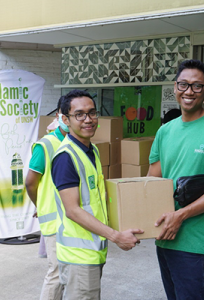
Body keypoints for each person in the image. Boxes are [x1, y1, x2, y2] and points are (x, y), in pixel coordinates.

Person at [147, 59, 204, 300]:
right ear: (175, 87)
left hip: (196, 241)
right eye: (183, 84)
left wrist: (181, 215)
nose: (189, 91)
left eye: (197, 86)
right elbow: (152, 182)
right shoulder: (165, 131)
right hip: (164, 238)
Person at [51, 89, 143, 299]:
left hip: (92, 251)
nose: (88, 120)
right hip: (79, 256)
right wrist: (116, 236)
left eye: (92, 113)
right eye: (79, 114)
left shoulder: (91, 150)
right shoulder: (66, 157)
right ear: (65, 119)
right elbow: (72, 210)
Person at [25, 96, 69, 300]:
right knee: (57, 272)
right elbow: (30, 183)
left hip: (74, 220)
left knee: (69, 272)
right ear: (60, 115)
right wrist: (39, 205)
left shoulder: (79, 144)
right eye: (68, 114)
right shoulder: (46, 145)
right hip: (54, 220)